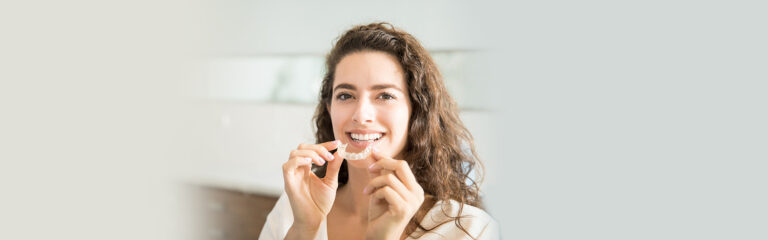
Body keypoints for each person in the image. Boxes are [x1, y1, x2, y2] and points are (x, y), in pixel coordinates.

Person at [259, 22, 498, 240]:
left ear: (416, 111)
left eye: (385, 95)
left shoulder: (470, 230)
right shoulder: (294, 209)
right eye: (345, 95)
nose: (361, 115)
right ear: (329, 108)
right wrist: (304, 230)